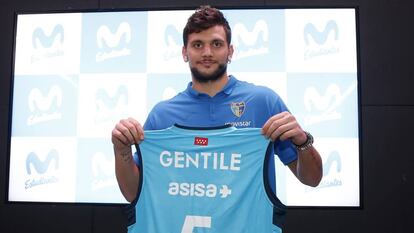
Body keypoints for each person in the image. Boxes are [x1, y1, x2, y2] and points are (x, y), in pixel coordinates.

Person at [112, 5, 322, 232]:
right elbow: (134, 193)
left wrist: (302, 141)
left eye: (216, 44)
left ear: (230, 51)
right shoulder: (162, 115)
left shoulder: (264, 102)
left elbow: (312, 179)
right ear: (185, 52)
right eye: (197, 45)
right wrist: (120, 150)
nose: (207, 53)